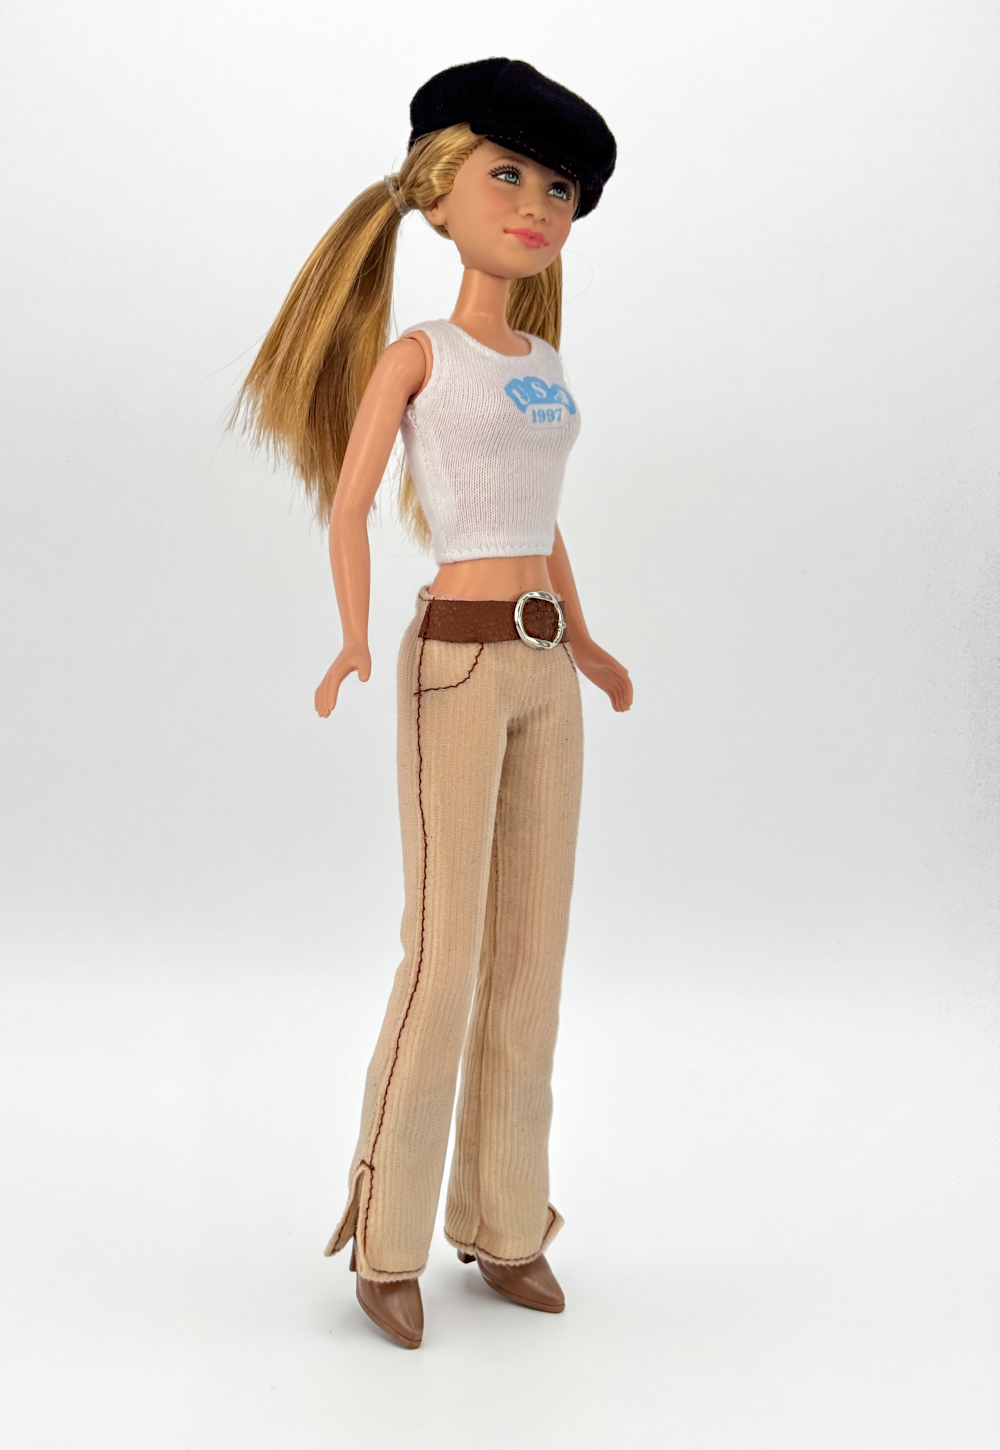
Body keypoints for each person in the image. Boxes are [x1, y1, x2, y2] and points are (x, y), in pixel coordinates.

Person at [235, 57, 632, 1349]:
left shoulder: (544, 360)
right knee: (444, 954)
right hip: (455, 660)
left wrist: (587, 639)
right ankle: (390, 1238)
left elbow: (542, 517)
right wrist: (355, 635)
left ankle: (507, 1221)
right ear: (440, 190)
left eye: (557, 188)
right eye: (508, 175)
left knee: (532, 957)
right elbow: (352, 503)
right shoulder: (421, 354)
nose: (535, 205)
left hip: (545, 667)